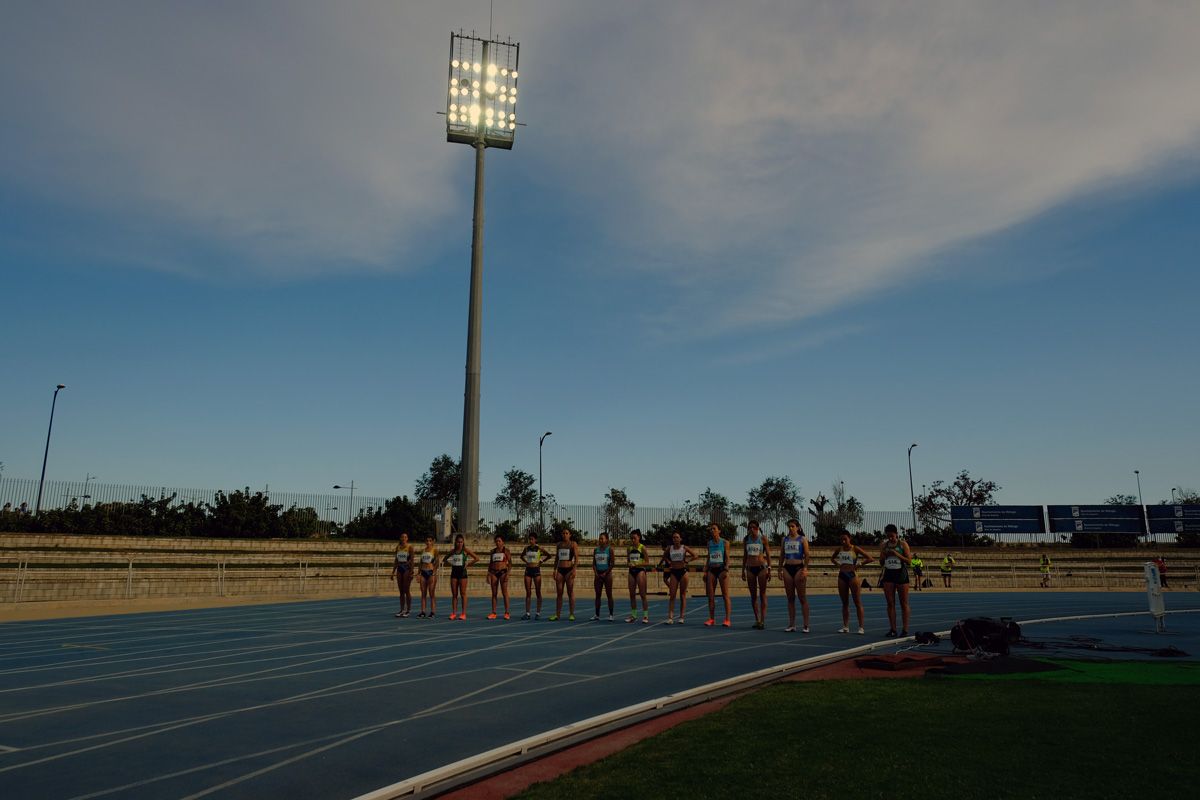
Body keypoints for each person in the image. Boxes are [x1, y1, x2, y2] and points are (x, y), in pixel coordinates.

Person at [831, 531, 873, 634]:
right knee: (844, 603)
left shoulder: (855, 548)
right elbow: (832, 559)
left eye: (845, 539)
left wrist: (859, 564)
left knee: (857, 602)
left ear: (850, 538)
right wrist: (838, 565)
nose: (843, 541)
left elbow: (870, 558)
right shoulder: (839, 549)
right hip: (842, 576)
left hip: (853, 576)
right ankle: (845, 626)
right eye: (841, 539)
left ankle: (861, 627)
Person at [880, 524, 913, 637]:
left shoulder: (903, 544)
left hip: (901, 574)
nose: (890, 538)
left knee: (903, 603)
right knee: (890, 603)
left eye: (892, 536)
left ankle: (905, 629)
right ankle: (893, 629)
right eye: (888, 536)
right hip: (889, 574)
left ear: (896, 534)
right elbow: (881, 562)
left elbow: (909, 561)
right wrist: (883, 555)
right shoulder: (884, 545)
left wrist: (896, 554)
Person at [780, 518, 810, 633]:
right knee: (790, 598)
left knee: (802, 598)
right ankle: (792, 624)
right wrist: (779, 569)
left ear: (797, 527)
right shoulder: (785, 539)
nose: (791, 528)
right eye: (789, 526)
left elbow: (807, 555)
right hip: (787, 568)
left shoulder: (802, 539)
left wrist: (805, 568)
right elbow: (782, 554)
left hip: (799, 568)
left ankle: (806, 625)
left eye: (793, 526)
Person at [741, 521, 770, 630]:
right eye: (750, 527)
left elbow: (768, 554)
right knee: (753, 596)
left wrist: (770, 568)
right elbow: (745, 555)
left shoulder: (763, 539)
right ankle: (757, 619)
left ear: (758, 528)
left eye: (754, 527)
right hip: (750, 569)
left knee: (762, 594)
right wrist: (742, 570)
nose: (751, 529)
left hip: (761, 568)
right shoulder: (746, 539)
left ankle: (762, 620)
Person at [664, 531, 696, 624]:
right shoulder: (669, 548)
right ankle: (670, 617)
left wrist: (687, 561)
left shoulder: (684, 548)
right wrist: (669, 562)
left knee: (682, 595)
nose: (675, 539)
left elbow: (695, 555)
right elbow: (664, 556)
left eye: (677, 537)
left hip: (683, 572)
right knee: (672, 595)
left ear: (680, 539)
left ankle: (681, 617)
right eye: (674, 537)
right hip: (674, 572)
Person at [705, 522, 733, 628]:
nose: (712, 530)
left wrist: (727, 568)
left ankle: (727, 619)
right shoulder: (709, 543)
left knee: (725, 595)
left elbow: (727, 557)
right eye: (711, 529)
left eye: (714, 529)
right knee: (710, 596)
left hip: (721, 569)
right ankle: (711, 619)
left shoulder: (725, 542)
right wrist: (705, 570)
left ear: (719, 531)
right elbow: (708, 557)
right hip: (712, 569)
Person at [446, 534, 480, 620]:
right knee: (454, 595)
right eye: (458, 542)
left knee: (463, 593)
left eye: (461, 542)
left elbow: (476, 558)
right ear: (455, 542)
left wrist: (468, 564)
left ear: (463, 542)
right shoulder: (453, 551)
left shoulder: (465, 551)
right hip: (454, 574)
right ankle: (454, 613)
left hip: (463, 574)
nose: (460, 543)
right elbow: (444, 559)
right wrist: (451, 564)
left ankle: (463, 613)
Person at [520, 532, 552, 619]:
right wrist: (526, 562)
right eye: (529, 539)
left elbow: (549, 556)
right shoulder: (526, 549)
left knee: (538, 592)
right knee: (528, 592)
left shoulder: (539, 548)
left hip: (536, 570)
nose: (530, 541)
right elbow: (521, 556)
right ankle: (527, 613)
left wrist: (541, 561)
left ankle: (538, 613)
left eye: (532, 539)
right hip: (528, 571)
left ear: (535, 540)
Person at [550, 527, 579, 621]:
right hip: (560, 570)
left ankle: (571, 614)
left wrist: (574, 570)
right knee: (559, 593)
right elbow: (556, 558)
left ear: (570, 535)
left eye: (567, 533)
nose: (565, 535)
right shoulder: (559, 544)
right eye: (563, 533)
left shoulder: (573, 544)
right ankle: (557, 615)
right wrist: (554, 570)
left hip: (569, 570)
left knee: (570, 592)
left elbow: (576, 558)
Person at [625, 529, 650, 624]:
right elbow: (628, 560)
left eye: (634, 538)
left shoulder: (642, 548)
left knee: (643, 594)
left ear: (639, 537)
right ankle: (634, 615)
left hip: (640, 571)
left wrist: (637, 565)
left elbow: (647, 562)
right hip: (632, 571)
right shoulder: (629, 548)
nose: (632, 540)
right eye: (631, 538)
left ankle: (645, 616)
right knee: (632, 594)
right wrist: (629, 564)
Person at [390, 533, 415, 618]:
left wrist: (411, 572)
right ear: (400, 538)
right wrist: (393, 572)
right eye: (402, 537)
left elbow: (412, 560)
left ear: (407, 539)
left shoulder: (410, 547)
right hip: (399, 568)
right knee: (401, 591)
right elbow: (396, 560)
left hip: (407, 568)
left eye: (405, 537)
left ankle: (408, 610)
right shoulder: (398, 547)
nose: (404, 538)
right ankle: (401, 610)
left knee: (406, 589)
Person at [486, 534, 512, 620]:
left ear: (503, 542)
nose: (497, 542)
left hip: (503, 572)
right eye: (496, 541)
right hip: (493, 573)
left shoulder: (506, 551)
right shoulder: (493, 551)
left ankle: (507, 612)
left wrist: (508, 574)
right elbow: (490, 564)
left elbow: (510, 564)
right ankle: (493, 613)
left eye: (499, 541)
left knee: (505, 593)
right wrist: (488, 574)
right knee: (494, 594)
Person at [591, 532, 616, 620]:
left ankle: (611, 615)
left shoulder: (610, 550)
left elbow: (612, 563)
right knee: (598, 595)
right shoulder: (596, 550)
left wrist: (606, 573)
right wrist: (596, 573)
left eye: (602, 538)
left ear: (606, 540)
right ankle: (597, 615)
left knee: (609, 594)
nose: (600, 540)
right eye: (599, 538)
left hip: (607, 575)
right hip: (598, 574)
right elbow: (593, 563)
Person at [417, 535, 439, 618]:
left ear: (433, 541)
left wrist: (434, 572)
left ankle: (432, 611)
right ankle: (423, 611)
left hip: (431, 572)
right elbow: (420, 562)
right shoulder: (423, 550)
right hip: (423, 572)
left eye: (430, 540)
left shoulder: (435, 550)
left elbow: (437, 562)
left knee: (431, 593)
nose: (428, 542)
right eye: (427, 540)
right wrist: (418, 573)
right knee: (423, 593)